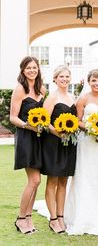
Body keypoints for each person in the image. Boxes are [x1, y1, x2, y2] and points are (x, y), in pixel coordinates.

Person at [64, 69, 98, 236]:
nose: (97, 83)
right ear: (89, 81)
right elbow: (77, 121)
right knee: (85, 176)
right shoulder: (83, 99)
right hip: (87, 142)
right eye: (94, 80)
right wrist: (92, 128)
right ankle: (82, 216)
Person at [10, 56, 46, 234]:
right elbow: (12, 117)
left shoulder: (42, 89)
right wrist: (28, 126)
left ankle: (28, 217)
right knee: (35, 180)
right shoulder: (20, 89)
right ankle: (20, 218)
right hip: (26, 137)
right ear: (23, 70)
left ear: (38, 69)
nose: (32, 70)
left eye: (34, 67)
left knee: (36, 182)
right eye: (28, 68)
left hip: (39, 139)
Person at [41, 65, 77, 233]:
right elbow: (44, 121)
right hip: (53, 144)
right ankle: (53, 219)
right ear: (55, 79)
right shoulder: (51, 98)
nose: (64, 79)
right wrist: (58, 133)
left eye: (66, 76)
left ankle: (61, 217)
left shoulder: (72, 97)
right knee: (53, 181)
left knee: (64, 181)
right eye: (60, 76)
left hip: (69, 144)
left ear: (70, 78)